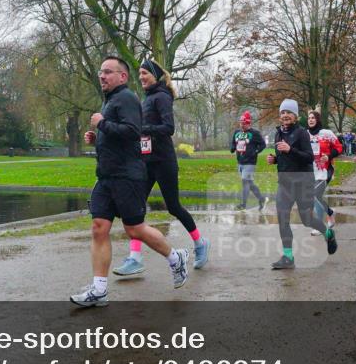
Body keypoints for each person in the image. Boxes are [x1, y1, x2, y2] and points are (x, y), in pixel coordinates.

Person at [70, 57, 190, 307]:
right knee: (99, 228)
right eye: (100, 71)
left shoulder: (126, 99)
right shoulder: (111, 101)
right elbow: (118, 134)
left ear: (122, 77)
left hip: (127, 176)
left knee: (134, 229)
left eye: (108, 72)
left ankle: (175, 257)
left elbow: (133, 132)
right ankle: (99, 290)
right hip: (106, 176)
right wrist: (98, 136)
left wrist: (102, 123)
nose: (102, 76)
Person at [114, 59, 209, 277]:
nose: (141, 77)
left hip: (164, 161)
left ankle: (200, 242)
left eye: (145, 73)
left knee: (173, 206)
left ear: (155, 75)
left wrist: (143, 129)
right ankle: (135, 258)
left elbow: (169, 128)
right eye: (139, 74)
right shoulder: (145, 99)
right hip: (145, 162)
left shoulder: (162, 97)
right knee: (136, 207)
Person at [267, 100, 337, 269]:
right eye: (282, 112)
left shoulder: (301, 133)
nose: (285, 115)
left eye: (289, 113)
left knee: (307, 220)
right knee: (283, 219)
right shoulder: (278, 134)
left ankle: (328, 233)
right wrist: (275, 159)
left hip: (303, 183)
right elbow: (285, 157)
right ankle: (288, 257)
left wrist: (290, 150)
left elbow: (308, 157)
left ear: (296, 116)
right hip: (285, 183)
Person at [306, 110, 342, 234]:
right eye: (309, 118)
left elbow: (339, 147)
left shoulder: (327, 133)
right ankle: (330, 214)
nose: (310, 120)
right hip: (310, 171)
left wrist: (329, 156)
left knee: (316, 195)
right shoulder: (304, 135)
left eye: (313, 118)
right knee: (315, 197)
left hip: (325, 170)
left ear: (318, 120)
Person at [230, 111, 267, 211]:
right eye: (241, 123)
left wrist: (255, 152)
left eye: (244, 123)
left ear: (249, 123)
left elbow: (263, 145)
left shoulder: (255, 133)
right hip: (240, 162)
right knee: (250, 184)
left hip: (250, 162)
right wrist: (233, 148)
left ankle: (243, 204)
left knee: (244, 182)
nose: (242, 125)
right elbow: (234, 142)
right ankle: (261, 199)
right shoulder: (237, 132)